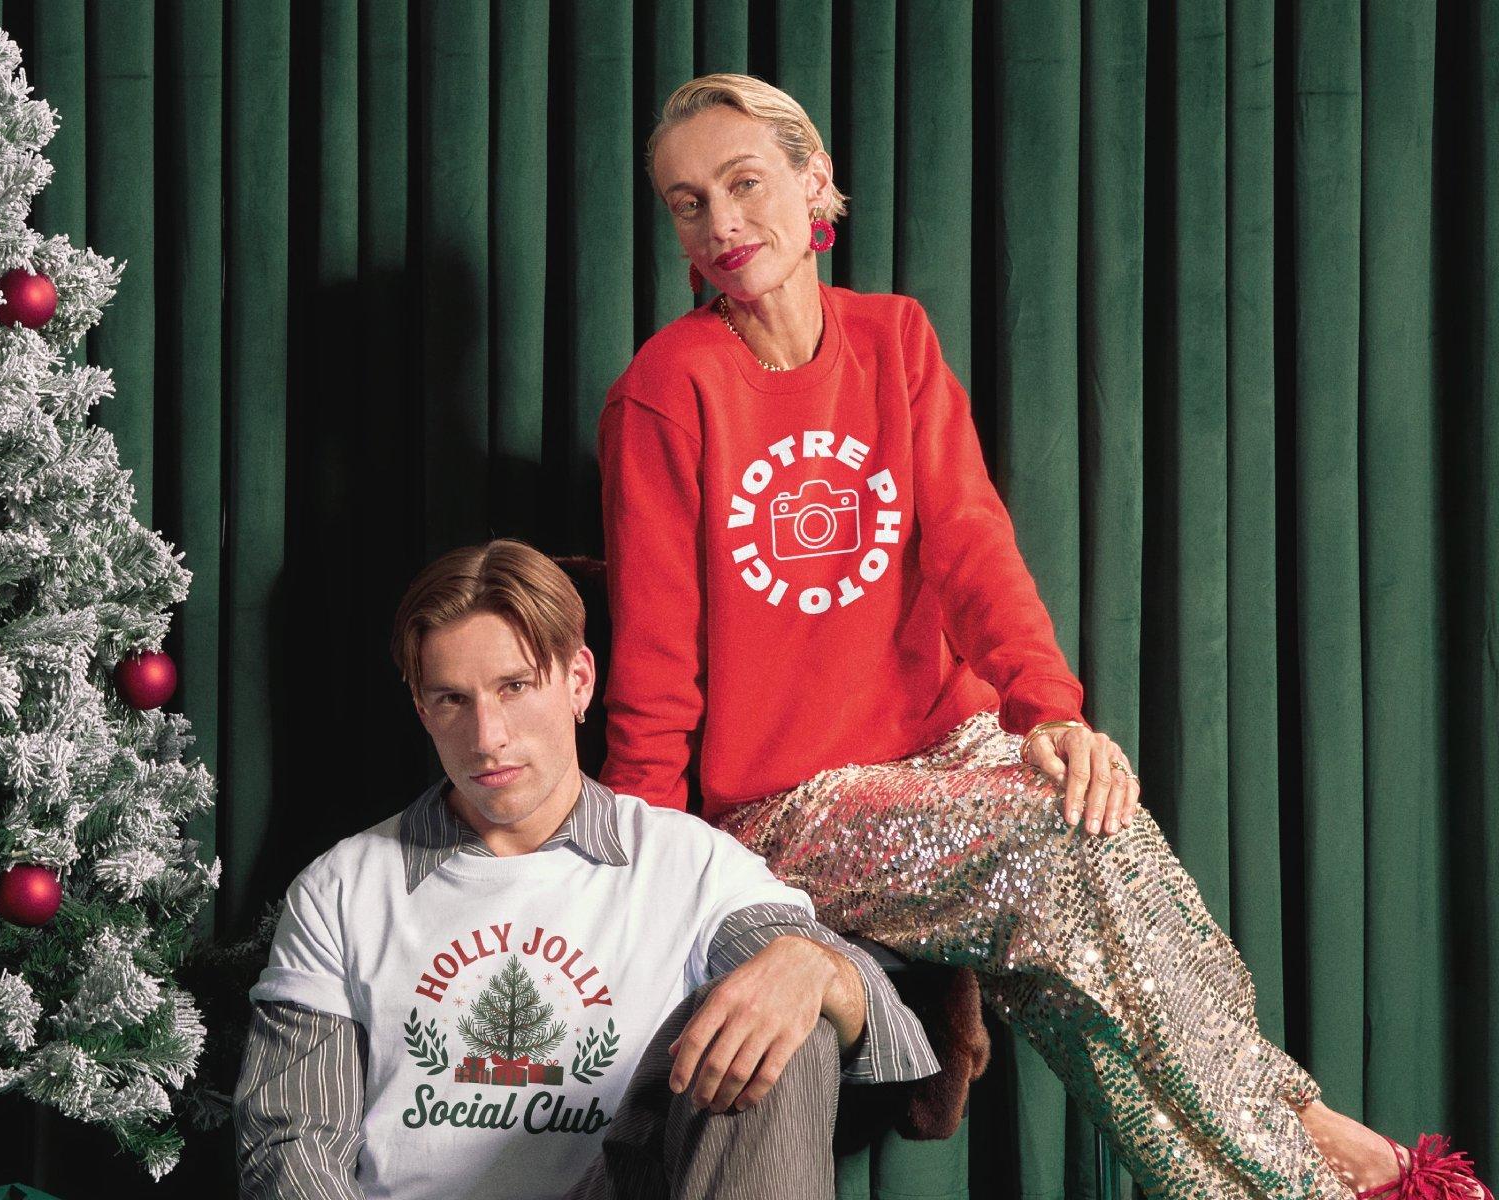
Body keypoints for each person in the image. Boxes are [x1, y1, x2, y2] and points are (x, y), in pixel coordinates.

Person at [596, 72, 1486, 1200]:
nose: (719, 225)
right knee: (1054, 854)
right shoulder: (666, 394)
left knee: (1093, 834)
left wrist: (1049, 713)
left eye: (742, 183)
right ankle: (1313, 1148)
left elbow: (972, 547)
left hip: (947, 750)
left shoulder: (895, 341)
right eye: (686, 203)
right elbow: (656, 669)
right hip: (790, 799)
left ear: (815, 181)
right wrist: (643, 881)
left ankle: (1261, 1174)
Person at [235, 540, 938, 1199]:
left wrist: (815, 969)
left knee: (788, 1015)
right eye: (453, 699)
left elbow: (894, 1034)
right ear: (422, 708)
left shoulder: (689, 867)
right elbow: (291, 1144)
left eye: (515, 687)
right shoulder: (342, 888)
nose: (488, 738)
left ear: (578, 681)